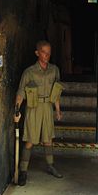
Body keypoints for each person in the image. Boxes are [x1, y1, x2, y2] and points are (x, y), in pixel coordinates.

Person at [14, 40, 63, 186]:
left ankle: (50, 165)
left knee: (48, 139)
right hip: (33, 108)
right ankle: (23, 171)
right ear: (37, 53)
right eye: (43, 52)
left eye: (49, 53)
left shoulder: (54, 70)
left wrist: (58, 110)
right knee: (30, 140)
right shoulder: (29, 72)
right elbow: (21, 92)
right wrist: (16, 110)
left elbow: (56, 92)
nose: (47, 55)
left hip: (48, 107)